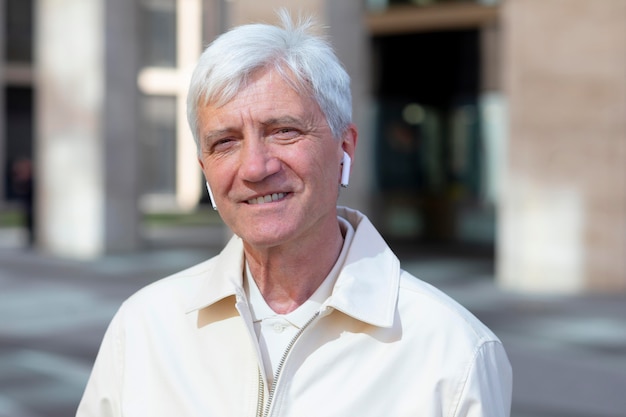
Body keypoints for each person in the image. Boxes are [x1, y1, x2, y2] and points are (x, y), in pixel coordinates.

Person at [76, 9, 512, 417]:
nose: (254, 167)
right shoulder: (143, 328)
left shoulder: (452, 351)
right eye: (225, 141)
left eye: (283, 131)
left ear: (345, 148)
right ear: (205, 169)